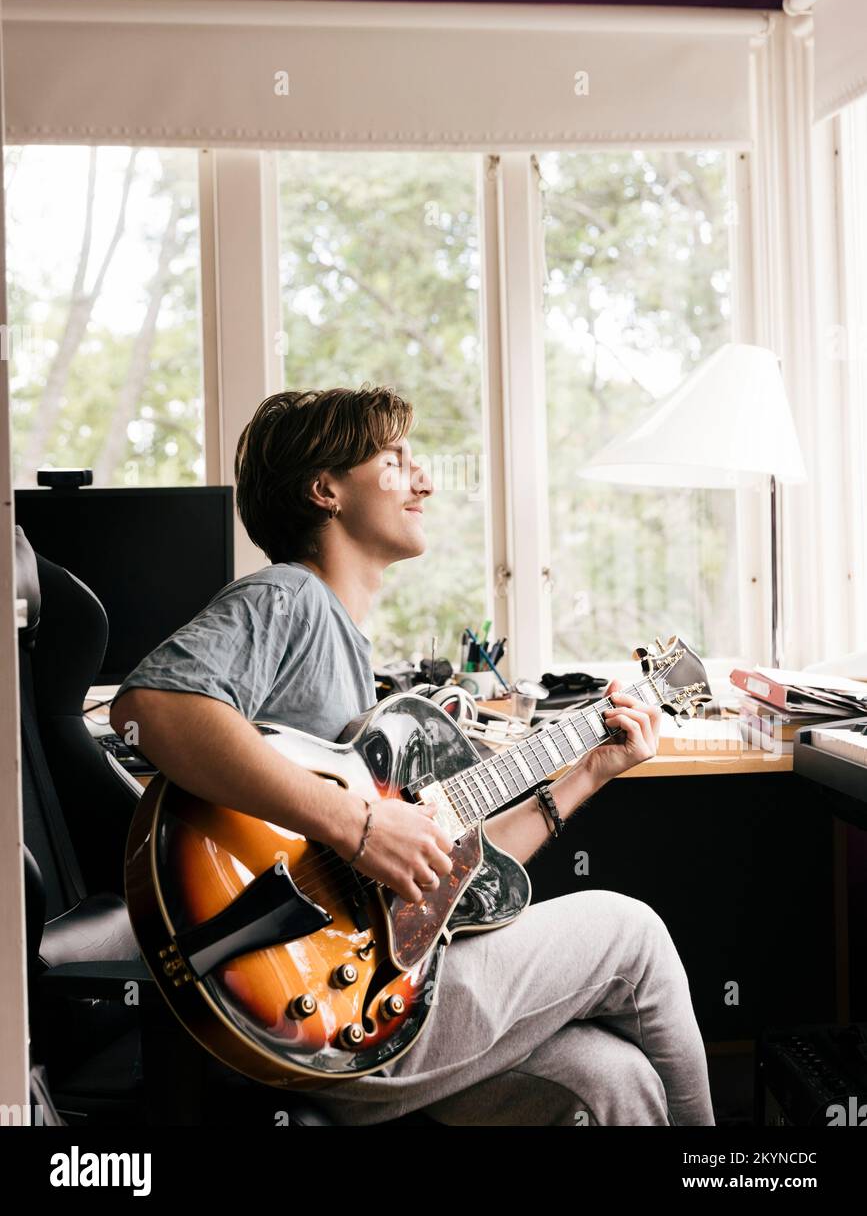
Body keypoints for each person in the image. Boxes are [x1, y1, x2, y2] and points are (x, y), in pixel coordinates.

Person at [110, 383, 715, 1127]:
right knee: (632, 931)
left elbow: (448, 877)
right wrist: (358, 826)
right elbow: (149, 710)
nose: (424, 480)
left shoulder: (348, 655)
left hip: (374, 998)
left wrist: (590, 771)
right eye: (394, 461)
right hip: (312, 1006)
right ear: (325, 489)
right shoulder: (286, 598)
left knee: (608, 1079)